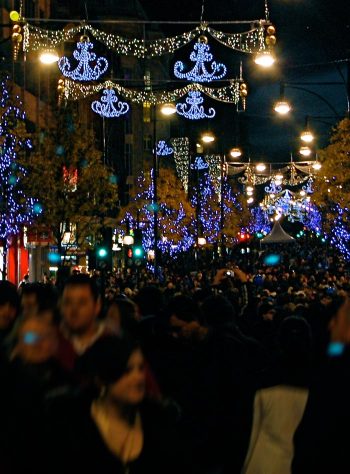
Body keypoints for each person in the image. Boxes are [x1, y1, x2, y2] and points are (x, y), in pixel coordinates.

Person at [46, 335, 181, 474]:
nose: (139, 377)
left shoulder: (159, 420)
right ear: (101, 379)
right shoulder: (72, 425)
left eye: (141, 368)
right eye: (127, 371)